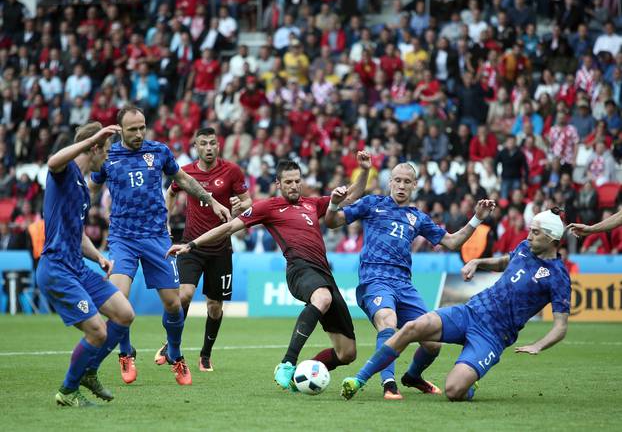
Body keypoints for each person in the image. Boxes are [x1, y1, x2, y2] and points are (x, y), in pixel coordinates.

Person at [166, 153, 372, 391]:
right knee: (322, 297)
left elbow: (353, 194)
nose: (294, 186)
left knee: (347, 353)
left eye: (297, 181)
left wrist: (364, 170)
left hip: (324, 274)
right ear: (278, 184)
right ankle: (287, 363)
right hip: (299, 269)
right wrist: (191, 244)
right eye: (288, 182)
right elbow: (229, 227)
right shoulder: (267, 208)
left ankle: (302, 375)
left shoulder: (313, 204)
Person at [341, 209, 570, 402]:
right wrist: (478, 262)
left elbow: (560, 327)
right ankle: (359, 378)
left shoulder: (558, 276)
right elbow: (505, 262)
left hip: (493, 336)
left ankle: (470, 380)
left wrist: (538, 345)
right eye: (530, 230)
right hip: (470, 312)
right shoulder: (525, 247)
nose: (529, 236)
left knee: (454, 391)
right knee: (413, 327)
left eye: (536, 232)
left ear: (551, 238)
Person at [324, 163, 496, 400]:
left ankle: (413, 376)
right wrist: (333, 203)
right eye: (397, 180)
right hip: (375, 280)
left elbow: (453, 242)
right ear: (390, 182)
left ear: (415, 185)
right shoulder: (372, 204)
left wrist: (477, 218)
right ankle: (389, 384)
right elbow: (332, 222)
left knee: (433, 343)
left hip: (404, 285)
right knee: (388, 320)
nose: (401, 185)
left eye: (407, 181)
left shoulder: (418, 217)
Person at [89, 105, 230, 386]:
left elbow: (184, 179)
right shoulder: (108, 156)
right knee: (118, 300)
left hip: (157, 238)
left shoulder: (159, 151)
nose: (140, 133)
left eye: (142, 127)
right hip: (122, 239)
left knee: (173, 303)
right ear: (120, 130)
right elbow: (90, 189)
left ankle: (175, 353)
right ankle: (126, 352)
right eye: (133, 129)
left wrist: (211, 200)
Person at [37, 122, 135, 407]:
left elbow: (77, 236)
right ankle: (68, 391)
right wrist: (94, 137)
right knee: (97, 331)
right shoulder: (63, 172)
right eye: (104, 150)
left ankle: (89, 371)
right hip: (56, 268)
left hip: (77, 267)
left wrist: (99, 257)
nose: (106, 157)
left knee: (124, 313)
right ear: (93, 148)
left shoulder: (82, 187)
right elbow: (53, 160)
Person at [154, 127, 251, 372]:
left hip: (220, 247)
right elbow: (170, 194)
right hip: (190, 246)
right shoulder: (185, 172)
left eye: (212, 143)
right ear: (196, 147)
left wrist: (242, 204)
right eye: (203, 143)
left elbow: (249, 200)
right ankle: (170, 344)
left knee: (215, 307)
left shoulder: (232, 171)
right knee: (184, 295)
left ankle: (205, 354)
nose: (209, 148)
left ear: (218, 146)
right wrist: (165, 222)